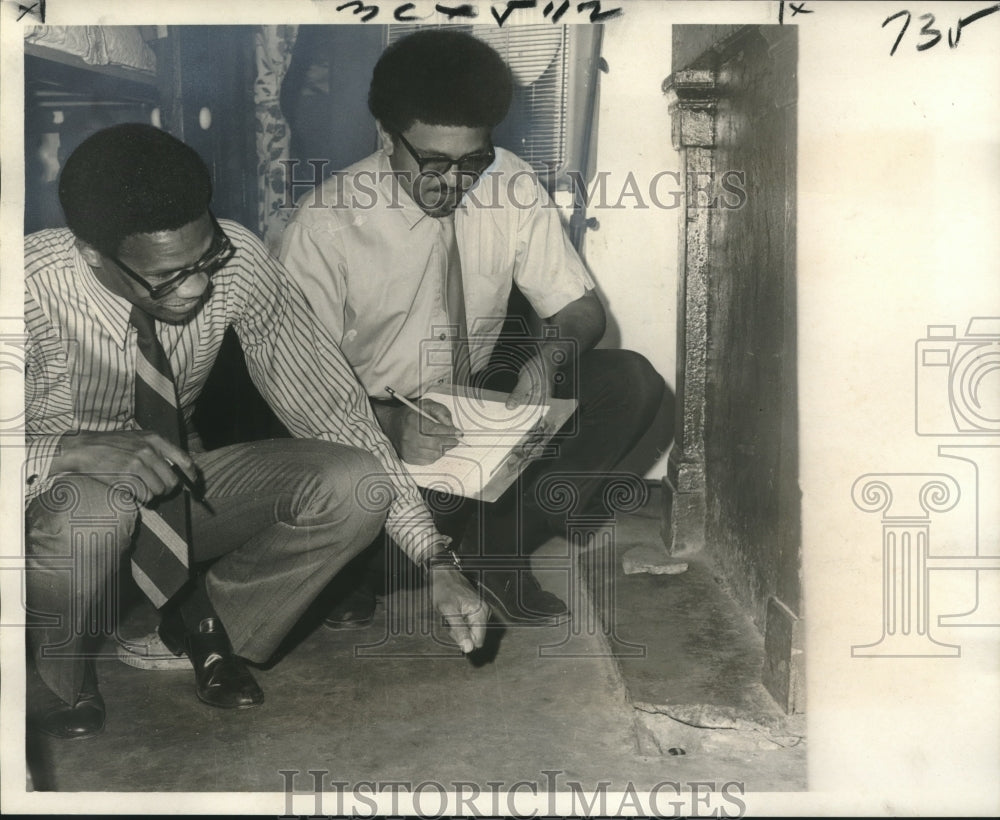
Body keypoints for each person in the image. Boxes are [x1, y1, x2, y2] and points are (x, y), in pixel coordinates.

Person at [24, 123, 486, 741]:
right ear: (90, 252)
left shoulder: (235, 259)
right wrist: (64, 450)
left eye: (203, 258)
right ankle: (56, 674)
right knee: (94, 509)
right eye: (165, 276)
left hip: (172, 489)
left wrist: (435, 558)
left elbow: (334, 409)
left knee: (356, 482)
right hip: (43, 498)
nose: (196, 286)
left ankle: (198, 629)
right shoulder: (22, 284)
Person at [279, 30, 665, 625]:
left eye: (472, 160)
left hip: (468, 423)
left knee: (630, 381)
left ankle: (494, 552)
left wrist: (548, 357)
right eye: (432, 162)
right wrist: (390, 423)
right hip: (372, 436)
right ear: (386, 135)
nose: (454, 182)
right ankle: (364, 567)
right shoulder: (325, 224)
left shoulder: (508, 181)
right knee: (353, 504)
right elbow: (294, 392)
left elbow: (583, 310)